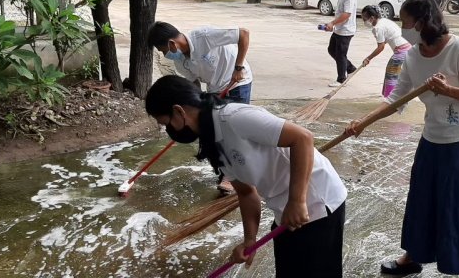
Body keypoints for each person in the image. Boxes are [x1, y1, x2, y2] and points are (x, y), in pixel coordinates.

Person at [346, 0, 459, 277]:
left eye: (405, 22)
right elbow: (396, 99)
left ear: (422, 22)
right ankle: (413, 257)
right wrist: (364, 122)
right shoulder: (413, 56)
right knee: (422, 200)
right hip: (433, 140)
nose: (402, 28)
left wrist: (449, 90)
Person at [145, 75, 348, 277]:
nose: (168, 130)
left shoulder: (235, 117)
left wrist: (297, 200)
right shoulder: (213, 139)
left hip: (318, 200)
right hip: (284, 210)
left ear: (179, 111)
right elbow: (245, 193)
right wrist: (249, 239)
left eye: (166, 123)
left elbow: (302, 138)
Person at [148, 21, 253, 193]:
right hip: (215, 89)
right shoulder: (180, 62)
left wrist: (238, 67)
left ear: (171, 44)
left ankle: (236, 176)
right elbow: (194, 86)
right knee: (216, 131)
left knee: (234, 130)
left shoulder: (204, 36)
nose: (164, 54)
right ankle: (227, 171)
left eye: (163, 51)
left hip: (237, 82)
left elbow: (243, 34)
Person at [360, 5, 411, 98]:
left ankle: (390, 100)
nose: (364, 22)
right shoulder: (384, 21)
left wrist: (368, 58)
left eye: (364, 19)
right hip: (407, 47)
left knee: (391, 73)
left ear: (372, 18)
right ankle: (391, 97)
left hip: (402, 50)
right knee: (394, 74)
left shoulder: (378, 28)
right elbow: (386, 40)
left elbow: (381, 47)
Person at [323, 0, 358, 87]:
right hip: (339, 29)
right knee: (332, 50)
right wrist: (333, 25)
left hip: (346, 30)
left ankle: (341, 79)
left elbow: (347, 14)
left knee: (340, 54)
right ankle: (350, 68)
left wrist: (332, 23)